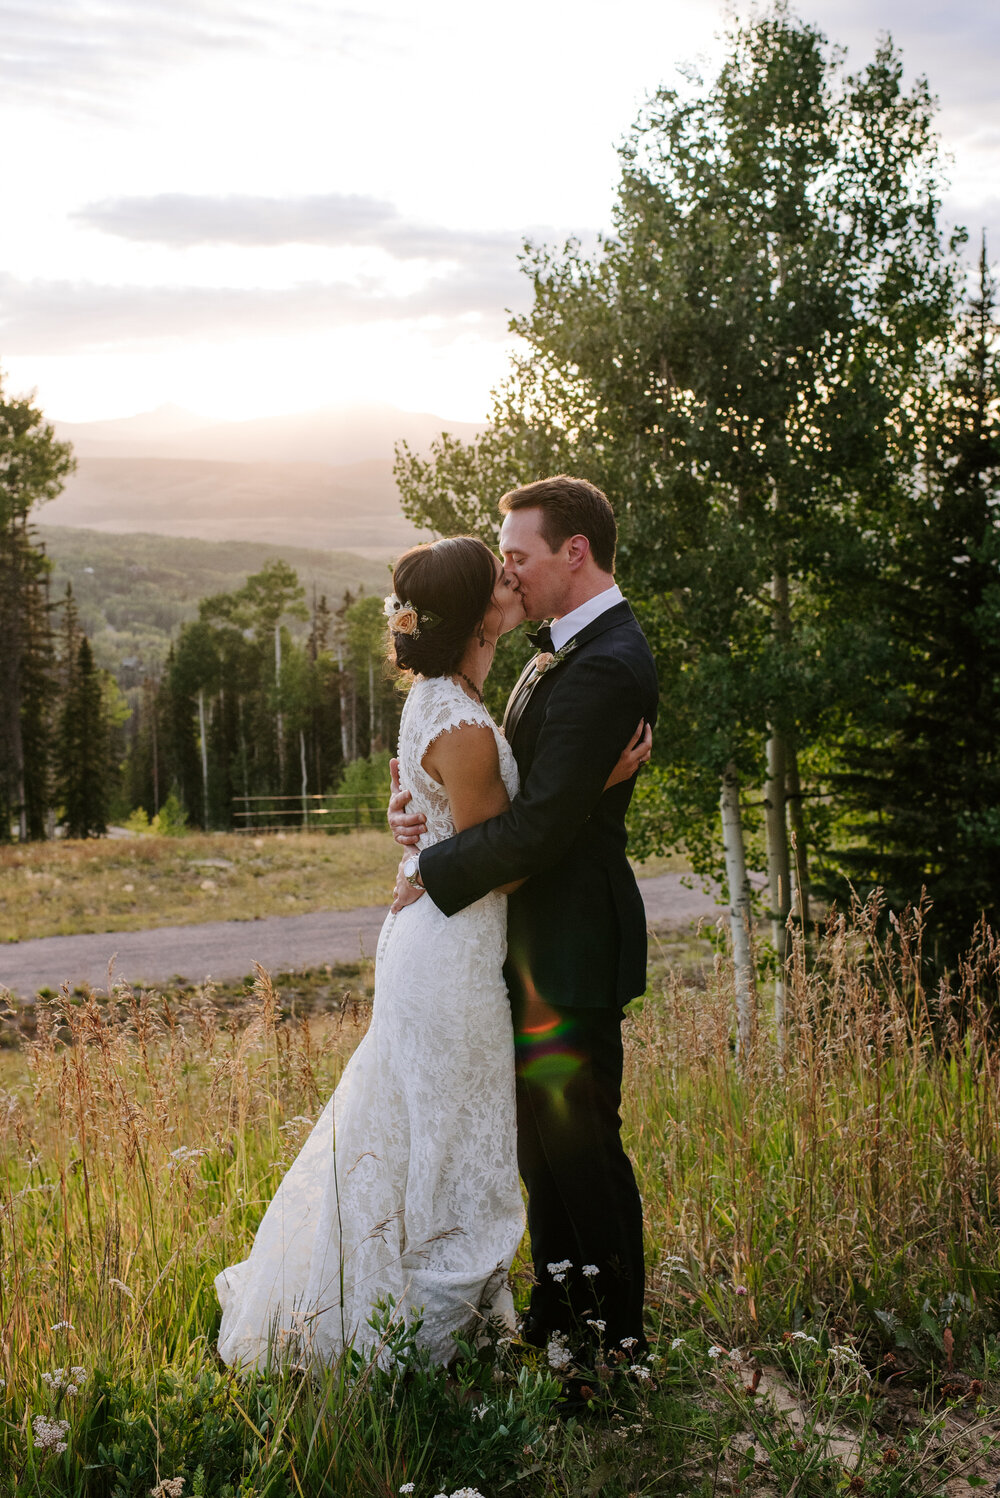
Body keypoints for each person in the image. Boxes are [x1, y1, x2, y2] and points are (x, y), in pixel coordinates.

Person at [215, 533, 644, 1371]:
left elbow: (446, 810)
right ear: (483, 613)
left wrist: (415, 836)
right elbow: (508, 863)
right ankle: (404, 1340)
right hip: (453, 952)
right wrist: (589, 785)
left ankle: (413, 1313)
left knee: (416, 1133)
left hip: (439, 940)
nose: (512, 575)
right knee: (445, 1145)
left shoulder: (443, 698)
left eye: (516, 558)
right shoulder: (464, 721)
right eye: (500, 571)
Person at [389, 475, 659, 1367]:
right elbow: (510, 793)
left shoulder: (611, 658)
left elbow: (539, 824)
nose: (510, 571)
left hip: (572, 939)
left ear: (573, 552)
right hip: (523, 937)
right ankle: (560, 1307)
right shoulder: (558, 650)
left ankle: (617, 1334)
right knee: (542, 1145)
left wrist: (432, 865)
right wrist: (425, 815)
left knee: (581, 1142)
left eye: (521, 556)